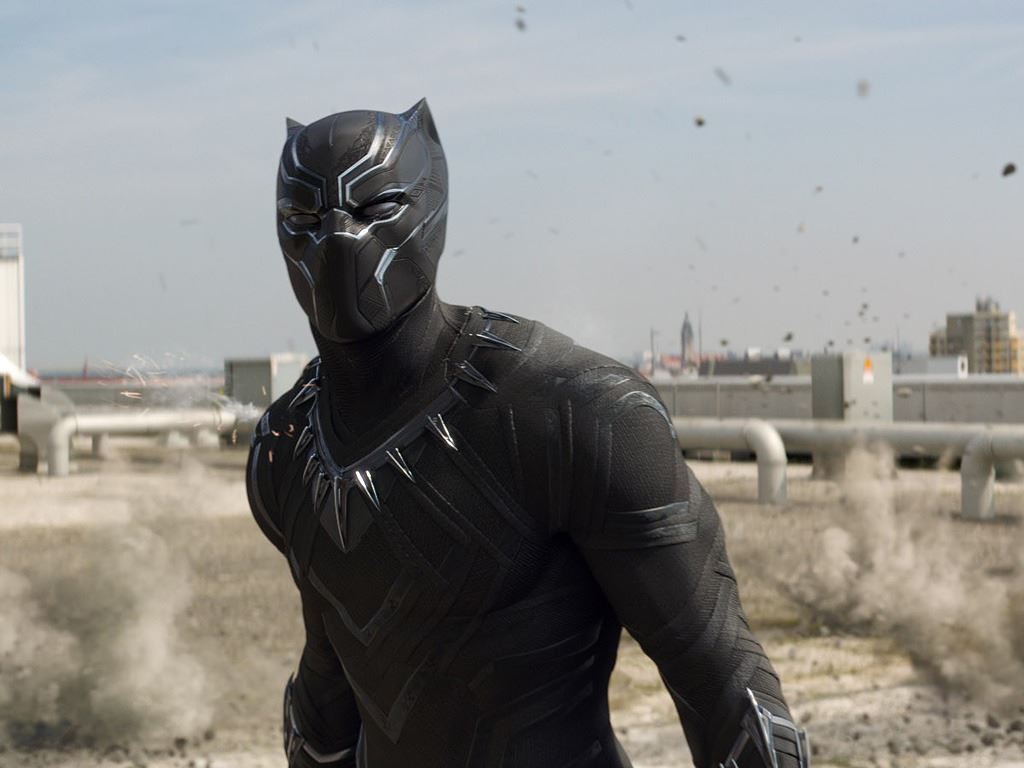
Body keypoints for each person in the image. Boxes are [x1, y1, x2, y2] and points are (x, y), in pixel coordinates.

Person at [247, 99, 809, 768]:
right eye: (305, 219)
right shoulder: (289, 446)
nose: (339, 238)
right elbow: (332, 677)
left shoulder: (577, 413)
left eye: (375, 206)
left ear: (430, 205)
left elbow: (731, 695)